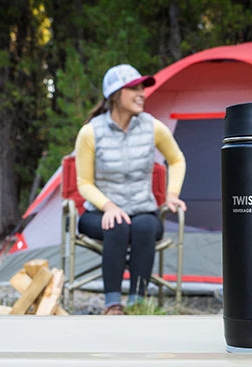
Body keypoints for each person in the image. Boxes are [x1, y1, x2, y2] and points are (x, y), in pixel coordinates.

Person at [75, 64, 187, 315]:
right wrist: (109, 206)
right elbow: (84, 183)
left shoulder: (152, 127)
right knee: (116, 224)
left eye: (142, 88)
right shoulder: (90, 132)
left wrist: (172, 194)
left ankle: (137, 303)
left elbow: (177, 159)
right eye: (134, 88)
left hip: (142, 209)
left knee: (145, 226)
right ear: (115, 95)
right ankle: (112, 305)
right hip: (99, 212)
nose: (142, 94)